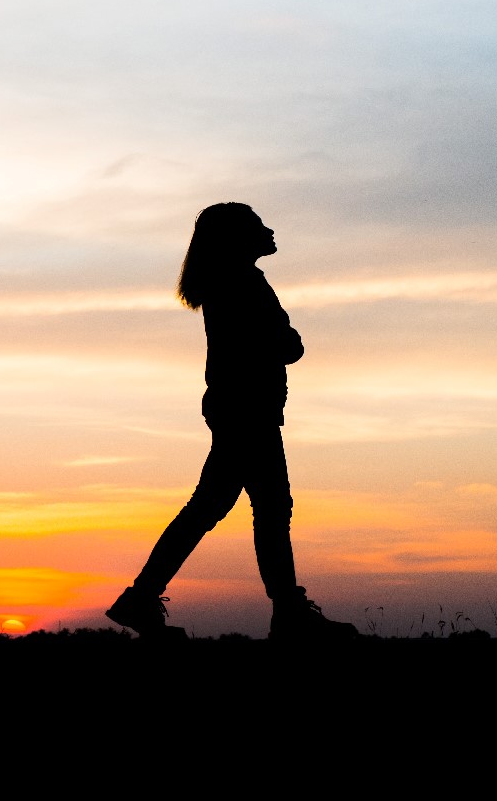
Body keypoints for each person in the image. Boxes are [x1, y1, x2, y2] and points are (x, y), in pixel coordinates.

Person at [106, 203, 358, 641]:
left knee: (223, 509)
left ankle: (143, 599)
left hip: (237, 408)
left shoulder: (230, 282)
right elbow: (288, 345)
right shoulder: (243, 282)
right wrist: (286, 341)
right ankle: (288, 615)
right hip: (247, 411)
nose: (270, 230)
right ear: (238, 237)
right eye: (259, 225)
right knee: (264, 509)